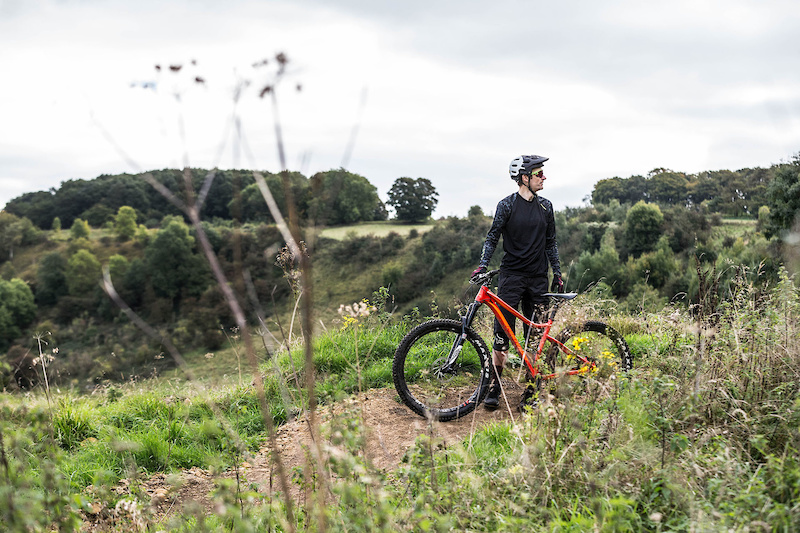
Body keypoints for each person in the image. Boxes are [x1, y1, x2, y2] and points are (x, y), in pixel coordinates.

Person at [471, 154, 563, 411]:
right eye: (538, 173)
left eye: (542, 173)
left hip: (537, 280)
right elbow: (492, 238)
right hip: (511, 277)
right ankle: (493, 388)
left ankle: (531, 392)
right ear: (525, 178)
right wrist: (483, 265)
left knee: (534, 336)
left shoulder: (546, 207)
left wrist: (557, 273)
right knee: (502, 335)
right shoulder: (507, 205)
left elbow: (551, 243)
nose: (543, 177)